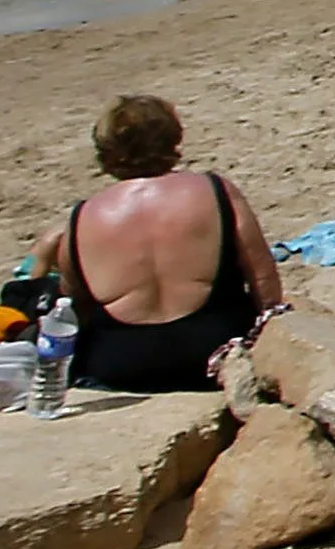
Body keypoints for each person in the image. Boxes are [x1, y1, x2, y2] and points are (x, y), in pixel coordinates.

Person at [33, 95, 288, 392]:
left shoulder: (82, 217)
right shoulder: (215, 190)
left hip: (121, 364)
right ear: (172, 138)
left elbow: (77, 301)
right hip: (214, 349)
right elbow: (262, 275)